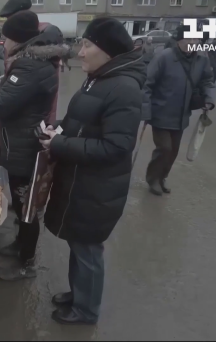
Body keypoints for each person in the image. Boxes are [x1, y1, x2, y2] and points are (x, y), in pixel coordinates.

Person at [40, 17, 145, 326]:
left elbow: (115, 147)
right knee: (78, 241)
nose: (80, 53)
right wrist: (56, 130)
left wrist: (60, 145)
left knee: (87, 249)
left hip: (98, 187)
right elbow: (79, 122)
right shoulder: (99, 78)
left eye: (87, 45)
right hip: (82, 182)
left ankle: (86, 311)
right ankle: (79, 294)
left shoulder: (123, 88)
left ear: (108, 51)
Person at [0, 10, 69, 281]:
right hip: (20, 144)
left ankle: (27, 263)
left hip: (25, 149)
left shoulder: (30, 66)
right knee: (22, 207)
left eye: (6, 39)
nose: (3, 44)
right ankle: (20, 246)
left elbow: (1, 105)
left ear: (17, 41)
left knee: (27, 208)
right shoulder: (32, 63)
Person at [143, 25, 215, 196]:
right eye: (188, 39)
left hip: (182, 115)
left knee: (174, 151)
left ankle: (162, 177)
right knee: (165, 148)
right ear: (179, 40)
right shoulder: (163, 57)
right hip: (160, 113)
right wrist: (145, 111)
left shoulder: (202, 60)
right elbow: (147, 85)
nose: (192, 43)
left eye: (196, 39)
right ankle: (152, 178)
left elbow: (207, 81)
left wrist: (209, 99)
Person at [0, 0, 63, 124]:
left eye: (11, 18)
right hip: (16, 100)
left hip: (34, 110)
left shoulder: (46, 32)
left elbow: (34, 71)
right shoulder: (15, 33)